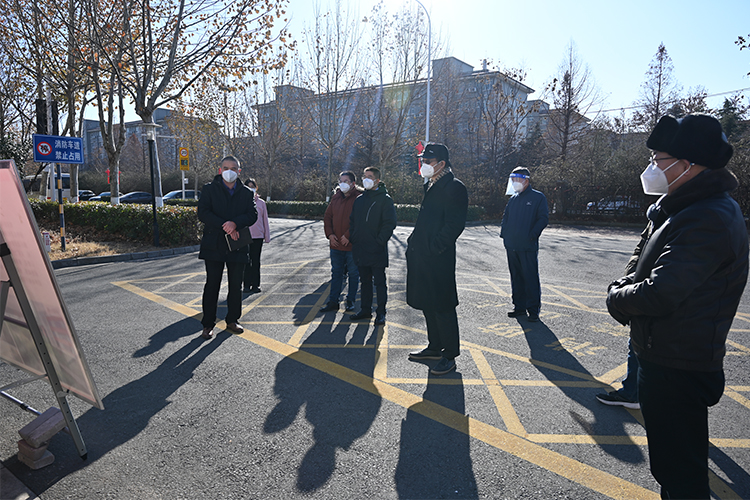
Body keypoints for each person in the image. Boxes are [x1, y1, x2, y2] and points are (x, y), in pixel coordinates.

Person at [606, 114, 747, 499]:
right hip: (665, 355)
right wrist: (626, 281)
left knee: (680, 474)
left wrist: (615, 298)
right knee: (672, 464)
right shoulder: (680, 207)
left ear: (687, 165)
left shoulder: (708, 217)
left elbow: (661, 291)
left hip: (679, 364)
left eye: (658, 160)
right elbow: (643, 258)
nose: (651, 168)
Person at [406, 143, 468, 376]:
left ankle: (449, 354)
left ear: (442, 163)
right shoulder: (432, 185)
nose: (424, 165)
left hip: (437, 258)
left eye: (428, 161)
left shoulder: (454, 187)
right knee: (428, 304)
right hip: (422, 256)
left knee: (442, 306)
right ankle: (434, 346)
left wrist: (434, 248)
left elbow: (453, 225)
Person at [197, 155, 257, 339]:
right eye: (225, 167)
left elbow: (252, 214)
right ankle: (208, 324)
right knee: (212, 285)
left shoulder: (246, 192)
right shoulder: (208, 189)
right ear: (220, 170)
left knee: (235, 285)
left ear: (239, 171)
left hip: (237, 244)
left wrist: (235, 224)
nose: (229, 171)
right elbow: (203, 213)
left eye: (233, 168)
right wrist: (226, 225)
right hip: (213, 244)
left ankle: (233, 320)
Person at [595, 224, 650, 410]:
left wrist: (622, 295)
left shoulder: (682, 213)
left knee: (642, 343)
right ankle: (634, 392)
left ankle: (634, 394)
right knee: (637, 341)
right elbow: (641, 249)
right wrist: (631, 275)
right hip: (641, 284)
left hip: (650, 291)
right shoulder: (661, 212)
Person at [349, 167, 397, 325]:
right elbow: (353, 221)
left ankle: (381, 312)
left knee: (380, 283)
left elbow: (389, 224)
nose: (365, 179)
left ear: (377, 180)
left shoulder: (385, 199)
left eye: (369, 176)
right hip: (361, 249)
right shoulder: (360, 199)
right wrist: (354, 238)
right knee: (365, 282)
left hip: (376, 250)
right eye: (364, 176)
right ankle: (365, 310)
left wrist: (379, 241)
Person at [500, 166, 549, 322]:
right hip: (512, 245)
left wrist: (532, 235)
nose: (515, 182)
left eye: (517, 179)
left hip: (527, 246)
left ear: (526, 180)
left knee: (530, 278)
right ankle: (519, 307)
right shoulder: (513, 198)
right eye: (513, 180)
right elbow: (505, 218)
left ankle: (533, 310)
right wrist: (505, 236)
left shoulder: (537, 197)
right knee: (516, 277)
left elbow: (543, 219)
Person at [320, 171, 362, 313]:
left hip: (352, 245)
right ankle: (333, 301)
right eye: (341, 180)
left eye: (346, 181)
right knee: (336, 273)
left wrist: (348, 235)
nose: (342, 183)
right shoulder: (336, 198)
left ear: (353, 183)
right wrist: (330, 234)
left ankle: (350, 301)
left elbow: (360, 221)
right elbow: (327, 217)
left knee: (353, 274)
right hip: (336, 244)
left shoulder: (359, 198)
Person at [242, 178, 270, 294]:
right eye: (248, 186)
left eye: (252, 186)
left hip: (258, 236)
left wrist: (267, 236)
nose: (251, 189)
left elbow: (265, 220)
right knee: (246, 262)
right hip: (245, 236)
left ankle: (256, 285)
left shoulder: (261, 203)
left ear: (256, 188)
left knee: (256, 261)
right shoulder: (241, 201)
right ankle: (246, 285)